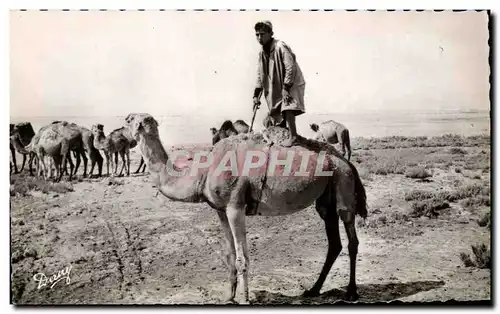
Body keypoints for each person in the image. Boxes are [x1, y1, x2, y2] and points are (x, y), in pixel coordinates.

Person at [252, 20, 306, 147]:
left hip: (291, 81)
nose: (259, 38)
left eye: (262, 34)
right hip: (277, 85)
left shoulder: (280, 46)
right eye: (257, 35)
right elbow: (260, 74)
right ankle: (284, 133)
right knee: (277, 110)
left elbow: (290, 66)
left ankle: (293, 137)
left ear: (271, 34)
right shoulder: (262, 53)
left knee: (288, 106)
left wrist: (286, 87)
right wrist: (256, 95)